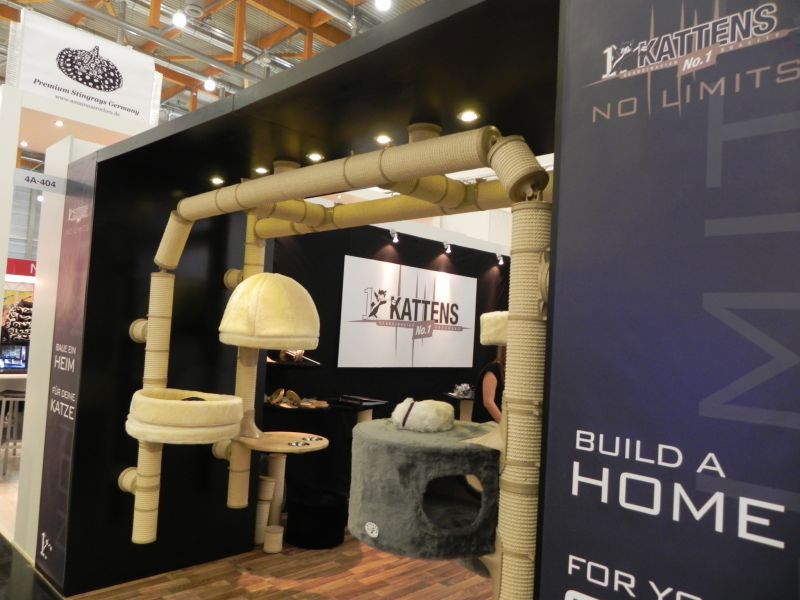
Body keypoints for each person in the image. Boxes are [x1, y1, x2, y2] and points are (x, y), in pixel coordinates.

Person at [472, 345, 505, 423]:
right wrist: (504, 423)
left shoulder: (505, 371)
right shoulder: (493, 370)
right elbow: (488, 402)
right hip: (486, 423)